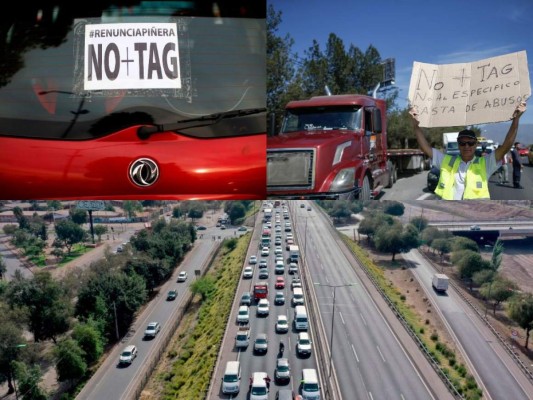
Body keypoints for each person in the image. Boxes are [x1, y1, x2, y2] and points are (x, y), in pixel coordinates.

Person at [409, 102, 527, 200]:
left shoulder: (485, 164)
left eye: (470, 143)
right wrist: (415, 125)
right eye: (462, 143)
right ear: (458, 145)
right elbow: (425, 147)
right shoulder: (446, 161)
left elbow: (506, 146)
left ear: (476, 145)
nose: (466, 146)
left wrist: (516, 119)